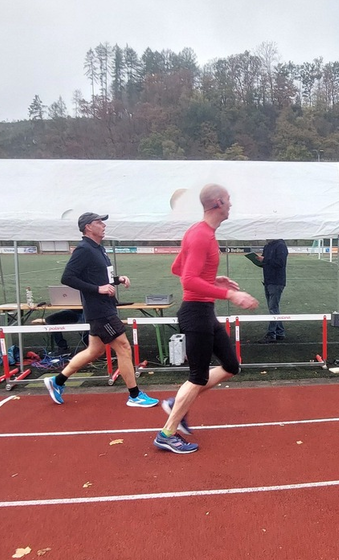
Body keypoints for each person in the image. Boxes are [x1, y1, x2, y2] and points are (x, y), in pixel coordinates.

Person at [154, 184, 259, 454]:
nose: (231, 205)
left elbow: (177, 267)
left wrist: (214, 279)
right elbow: (188, 278)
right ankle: (167, 433)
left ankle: (176, 402)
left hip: (204, 312)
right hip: (196, 312)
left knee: (231, 366)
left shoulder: (200, 233)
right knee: (197, 377)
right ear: (217, 202)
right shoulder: (201, 235)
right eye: (229, 200)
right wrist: (231, 295)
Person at [44, 212, 159, 408]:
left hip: (105, 307)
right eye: (99, 223)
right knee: (123, 347)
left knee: (94, 351)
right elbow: (67, 278)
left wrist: (117, 280)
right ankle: (134, 395)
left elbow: (100, 278)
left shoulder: (98, 249)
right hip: (99, 310)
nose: (103, 226)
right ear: (88, 227)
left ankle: (57, 381)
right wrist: (98, 289)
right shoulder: (84, 250)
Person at [244, 238, 289, 341]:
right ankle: (280, 332)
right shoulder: (268, 246)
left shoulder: (280, 246)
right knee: (273, 308)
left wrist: (264, 260)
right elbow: (265, 262)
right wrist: (257, 260)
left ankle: (271, 334)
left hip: (276, 281)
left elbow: (280, 263)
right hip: (268, 280)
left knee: (273, 308)